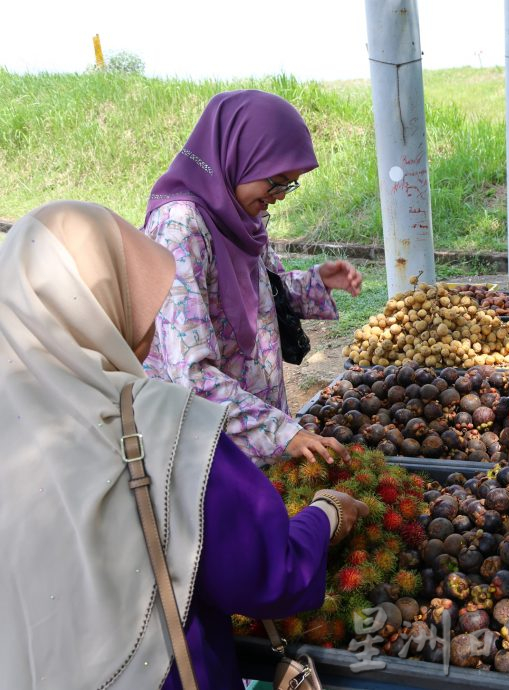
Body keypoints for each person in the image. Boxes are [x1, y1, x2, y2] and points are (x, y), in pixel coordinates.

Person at [0, 201, 369, 690]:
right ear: (101, 314)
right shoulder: (160, 426)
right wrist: (326, 515)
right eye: (144, 306)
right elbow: (270, 575)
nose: (154, 331)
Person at [142, 89, 362, 467]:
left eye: (289, 185)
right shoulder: (181, 229)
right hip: (206, 446)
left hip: (254, 417)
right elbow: (190, 375)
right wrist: (281, 432)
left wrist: (317, 281)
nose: (279, 196)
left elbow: (261, 293)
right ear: (238, 157)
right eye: (275, 182)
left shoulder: (242, 218)